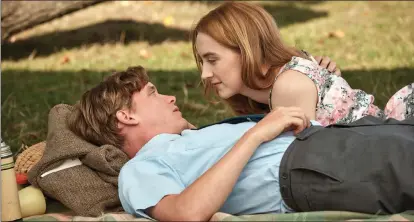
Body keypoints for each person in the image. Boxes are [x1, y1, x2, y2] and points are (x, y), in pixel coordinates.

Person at [68, 66, 414, 221]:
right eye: (153, 93)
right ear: (126, 117)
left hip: (332, 141)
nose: (171, 97)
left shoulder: (186, 142)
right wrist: (257, 133)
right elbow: (186, 214)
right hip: (310, 167)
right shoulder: (139, 169)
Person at [191, 2, 414, 126]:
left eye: (212, 60)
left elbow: (298, 163)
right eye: (202, 62)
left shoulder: (288, 87)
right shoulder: (269, 89)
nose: (205, 74)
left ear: (247, 50)